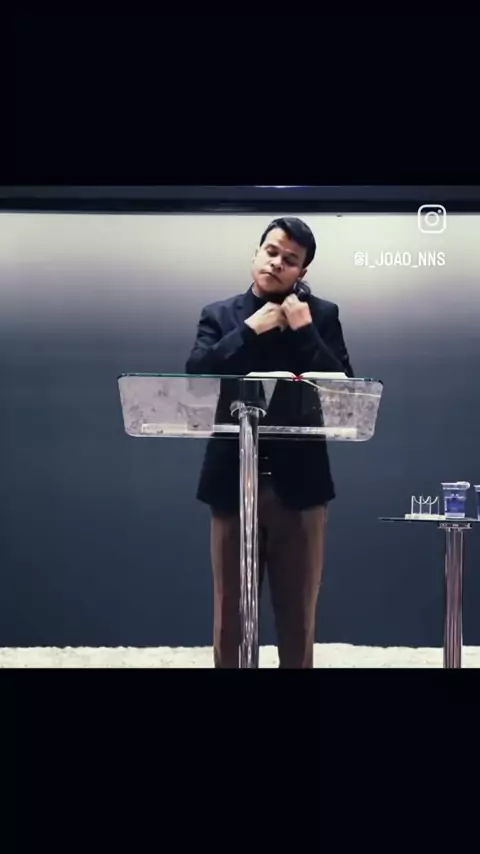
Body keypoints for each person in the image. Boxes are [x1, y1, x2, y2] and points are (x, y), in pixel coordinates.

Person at [185, 217, 353, 668]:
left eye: (290, 260)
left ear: (302, 271)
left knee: (298, 616)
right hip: (231, 484)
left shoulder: (322, 315)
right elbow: (196, 376)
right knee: (230, 615)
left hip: (301, 487)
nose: (277, 263)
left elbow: (343, 389)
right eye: (271, 252)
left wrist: (305, 330)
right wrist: (249, 330)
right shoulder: (220, 315)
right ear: (256, 253)